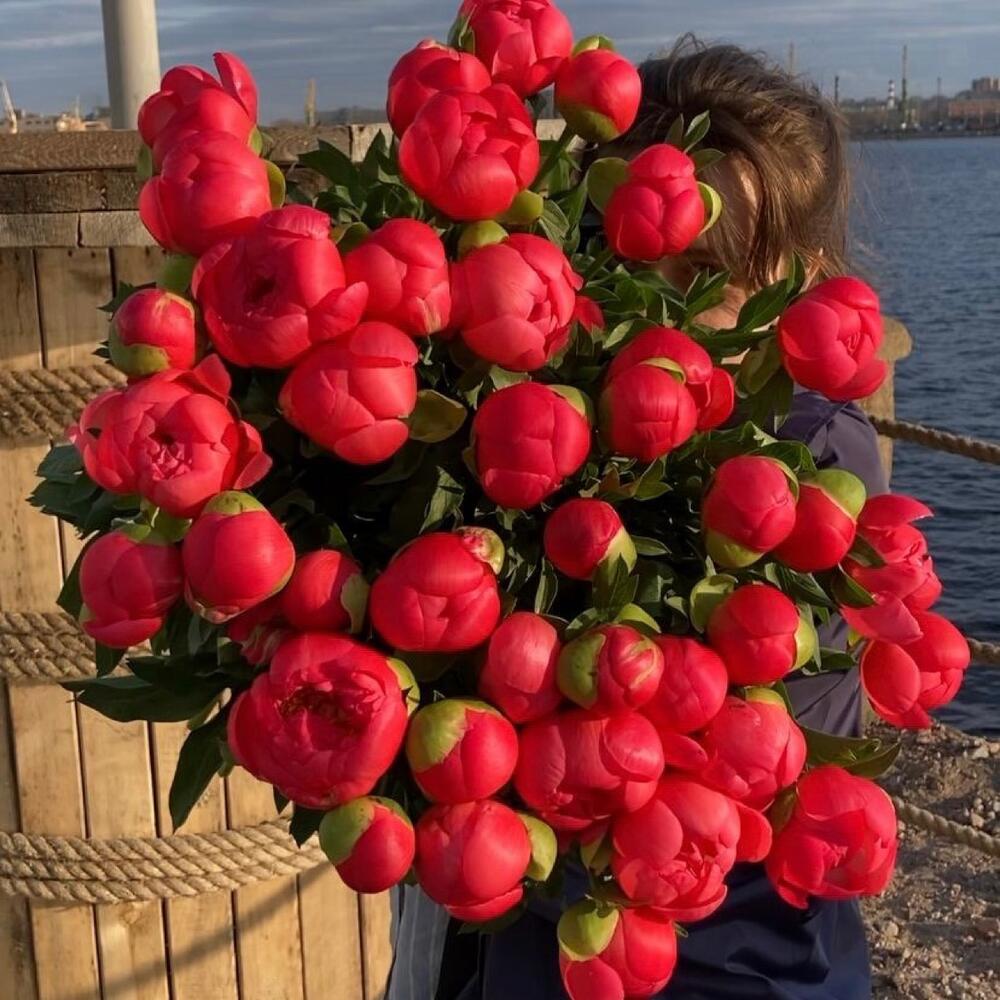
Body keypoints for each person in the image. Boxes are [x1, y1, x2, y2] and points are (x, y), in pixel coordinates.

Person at [388, 37, 888, 1000]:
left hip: (750, 955)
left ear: (805, 271)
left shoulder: (817, 458)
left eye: (713, 272)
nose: (671, 311)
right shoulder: (524, 405)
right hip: (548, 937)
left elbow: (753, 746)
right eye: (635, 261)